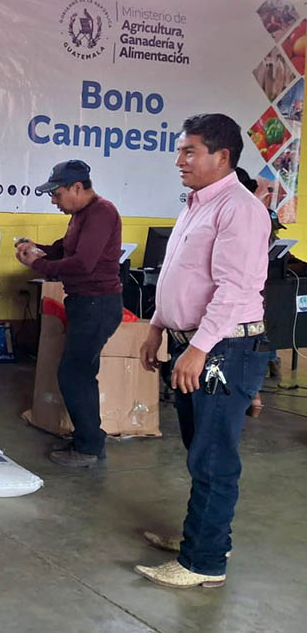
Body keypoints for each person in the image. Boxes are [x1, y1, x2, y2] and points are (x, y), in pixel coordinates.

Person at [135, 113, 270, 589]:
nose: (180, 161)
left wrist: (198, 348)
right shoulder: (197, 203)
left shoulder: (240, 209)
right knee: (201, 450)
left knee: (213, 458)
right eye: (180, 151)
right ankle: (207, 537)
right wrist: (156, 328)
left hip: (225, 349)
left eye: (189, 151)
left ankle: (204, 563)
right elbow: (176, 273)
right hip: (197, 343)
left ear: (222, 156)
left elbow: (233, 290)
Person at [16, 159, 123, 469]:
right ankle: (88, 438)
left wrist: (37, 264)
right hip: (84, 303)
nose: (54, 201)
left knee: (74, 375)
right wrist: (37, 248)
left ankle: (89, 446)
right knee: (80, 373)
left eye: (57, 194)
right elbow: (64, 250)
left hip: (98, 304)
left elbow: (82, 264)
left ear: (77, 187)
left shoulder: (101, 213)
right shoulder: (80, 215)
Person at [235, 166, 283, 416]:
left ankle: (254, 396)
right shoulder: (253, 211)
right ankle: (254, 397)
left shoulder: (247, 212)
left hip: (244, 294)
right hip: (250, 294)